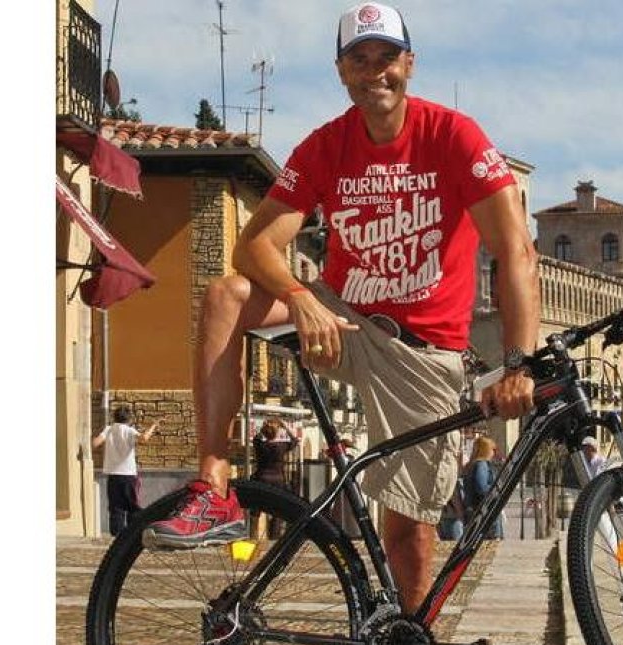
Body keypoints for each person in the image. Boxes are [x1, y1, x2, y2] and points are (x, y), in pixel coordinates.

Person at [143, 2, 540, 613]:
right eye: (360, 59)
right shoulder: (328, 144)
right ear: (342, 71)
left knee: (406, 531)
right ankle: (215, 483)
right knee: (225, 295)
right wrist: (301, 299)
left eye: (387, 58)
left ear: (409, 64)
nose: (374, 71)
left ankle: (409, 638)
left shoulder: (453, 135)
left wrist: (519, 362)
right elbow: (256, 245)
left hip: (420, 350)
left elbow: (514, 251)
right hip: (342, 320)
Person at [92, 406, 159, 537]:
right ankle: (133, 533)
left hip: (113, 475)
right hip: (128, 475)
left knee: (116, 507)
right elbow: (144, 438)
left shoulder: (109, 429)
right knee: (132, 505)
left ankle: (117, 535)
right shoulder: (130, 430)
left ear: (114, 417)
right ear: (129, 419)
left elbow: (95, 443)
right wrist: (153, 426)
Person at [463, 437, 503, 539]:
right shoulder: (482, 465)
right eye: (493, 449)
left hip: (473, 510)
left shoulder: (471, 465)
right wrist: (498, 490)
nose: (494, 452)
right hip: (486, 511)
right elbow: (481, 488)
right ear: (486, 449)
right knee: (491, 544)